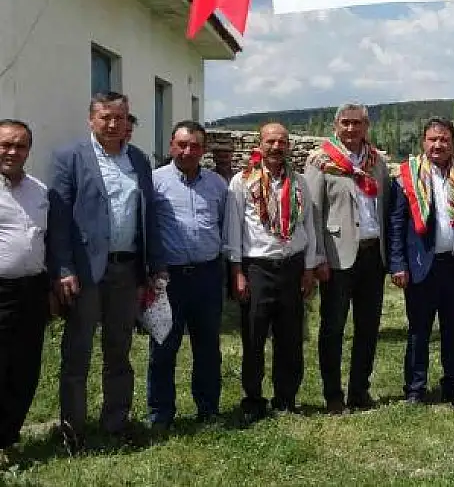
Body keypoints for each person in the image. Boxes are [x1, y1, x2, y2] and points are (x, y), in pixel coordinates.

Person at [48, 92, 166, 454]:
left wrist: (154, 266)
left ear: (128, 120)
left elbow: (149, 217)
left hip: (126, 271)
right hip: (85, 273)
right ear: (91, 120)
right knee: (78, 352)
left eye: (120, 117)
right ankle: (73, 430)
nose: (113, 124)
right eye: (105, 117)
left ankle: (116, 423)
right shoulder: (69, 158)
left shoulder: (138, 160)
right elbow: (59, 220)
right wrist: (64, 268)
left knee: (120, 350)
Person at [225, 123, 323, 424]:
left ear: (288, 145)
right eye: (270, 141)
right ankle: (253, 399)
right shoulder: (242, 181)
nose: (276, 147)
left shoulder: (300, 183)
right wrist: (237, 271)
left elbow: (308, 226)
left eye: (282, 141)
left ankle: (286, 397)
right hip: (257, 268)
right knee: (253, 338)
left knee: (290, 337)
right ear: (260, 144)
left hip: (292, 267)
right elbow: (234, 228)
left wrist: (308, 268)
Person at [305, 103, 392, 414]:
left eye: (358, 123)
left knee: (368, 328)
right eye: (346, 123)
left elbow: (385, 207)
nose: (352, 129)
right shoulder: (320, 162)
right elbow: (312, 214)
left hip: (372, 255)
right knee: (333, 328)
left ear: (366, 126)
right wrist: (317, 258)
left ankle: (359, 390)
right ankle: (333, 394)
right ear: (336, 125)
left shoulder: (377, 162)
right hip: (337, 257)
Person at [389, 117, 454, 410]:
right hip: (420, 266)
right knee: (419, 331)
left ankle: (452, 388)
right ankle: (415, 389)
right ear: (423, 143)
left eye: (444, 140)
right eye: (432, 139)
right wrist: (398, 263)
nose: (438, 145)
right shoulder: (407, 177)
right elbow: (397, 223)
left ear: (453, 143)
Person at [147, 121, 228, 430]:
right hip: (169, 279)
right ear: (171, 146)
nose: (187, 151)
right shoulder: (154, 183)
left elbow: (223, 225)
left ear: (203, 149)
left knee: (207, 348)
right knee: (163, 347)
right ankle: (160, 415)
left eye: (194, 145)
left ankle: (208, 410)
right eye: (181, 144)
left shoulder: (217, 185)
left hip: (207, 276)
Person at [0, 120, 50, 466]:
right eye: (5, 145)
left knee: (25, 367)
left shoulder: (39, 190)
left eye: (19, 146)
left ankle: (8, 437)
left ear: (29, 150)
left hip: (32, 290)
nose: (12, 152)